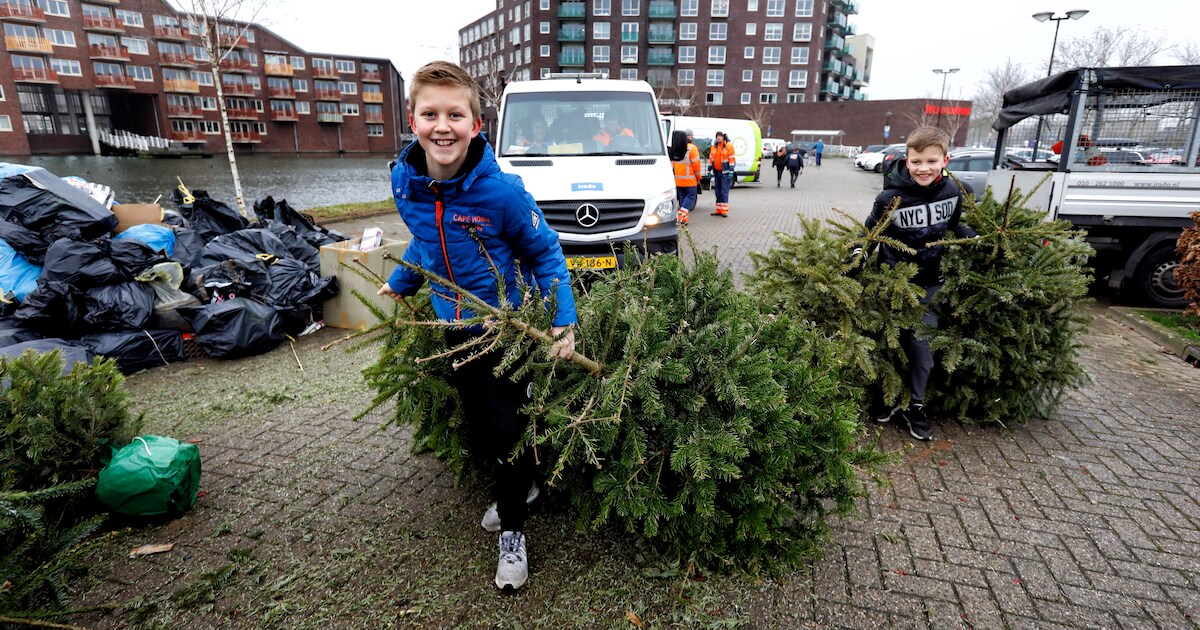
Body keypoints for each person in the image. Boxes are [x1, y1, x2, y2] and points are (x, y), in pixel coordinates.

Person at [376, 60, 577, 593]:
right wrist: (403, 281)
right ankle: (524, 487)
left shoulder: (502, 193)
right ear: (413, 121)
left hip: (504, 329)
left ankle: (513, 531)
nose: (443, 126)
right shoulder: (406, 182)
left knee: (509, 429)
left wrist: (562, 322)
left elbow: (547, 253)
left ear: (476, 124)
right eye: (430, 113)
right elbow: (424, 238)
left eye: (455, 114)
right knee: (483, 427)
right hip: (453, 330)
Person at [860, 126, 976, 441]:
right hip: (893, 284)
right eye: (916, 161)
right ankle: (888, 400)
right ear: (906, 161)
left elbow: (953, 226)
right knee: (889, 344)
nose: (923, 168)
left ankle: (916, 406)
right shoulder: (890, 197)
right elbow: (870, 233)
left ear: (945, 160)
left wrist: (975, 239)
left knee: (923, 350)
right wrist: (856, 256)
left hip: (931, 286)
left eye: (931, 161)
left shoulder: (954, 191)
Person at [671, 129, 701, 225]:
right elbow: (696, 165)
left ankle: (683, 219)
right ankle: (681, 215)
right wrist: (699, 177)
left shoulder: (676, 148)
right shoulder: (692, 148)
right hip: (690, 180)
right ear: (691, 137)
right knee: (690, 197)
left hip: (678, 180)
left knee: (683, 198)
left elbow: (673, 164)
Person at [709, 131, 735, 217]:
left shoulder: (729, 146)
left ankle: (724, 210)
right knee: (718, 191)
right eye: (717, 136)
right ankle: (719, 209)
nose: (718, 138)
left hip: (725, 172)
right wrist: (709, 170)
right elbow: (711, 158)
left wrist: (731, 172)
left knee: (724, 190)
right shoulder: (714, 147)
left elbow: (732, 160)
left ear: (723, 137)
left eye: (720, 136)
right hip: (717, 172)